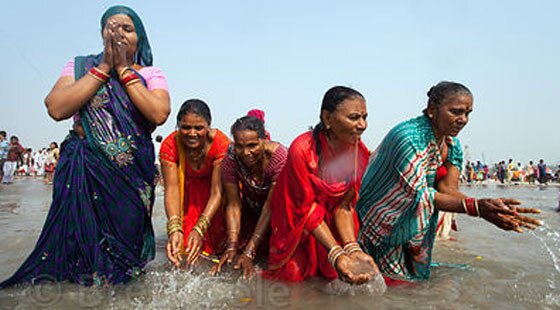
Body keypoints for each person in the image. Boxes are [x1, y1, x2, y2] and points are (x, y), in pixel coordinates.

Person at [0, 5, 170, 287]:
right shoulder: (80, 66)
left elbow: (158, 113)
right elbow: (56, 108)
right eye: (111, 28)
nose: (118, 34)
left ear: (140, 38)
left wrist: (123, 70)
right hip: (83, 169)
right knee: (75, 247)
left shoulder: (150, 73)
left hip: (129, 179)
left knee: (125, 253)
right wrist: (104, 68)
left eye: (127, 29)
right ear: (102, 33)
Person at [356, 81, 541, 282]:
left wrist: (491, 209)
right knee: (384, 283)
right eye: (456, 112)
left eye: (468, 113)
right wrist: (476, 208)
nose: (463, 120)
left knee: (415, 283)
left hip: (413, 222)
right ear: (432, 110)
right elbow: (419, 196)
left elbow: (447, 188)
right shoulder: (409, 138)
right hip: (383, 220)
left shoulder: (451, 143)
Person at [264, 86, 378, 284]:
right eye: (354, 117)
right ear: (327, 118)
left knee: (337, 278)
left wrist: (352, 248)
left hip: (333, 224)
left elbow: (344, 206)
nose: (362, 125)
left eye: (365, 117)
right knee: (292, 278)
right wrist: (336, 254)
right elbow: (305, 208)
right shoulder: (302, 149)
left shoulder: (358, 153)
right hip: (297, 221)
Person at [210, 115, 288, 278]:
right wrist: (232, 244)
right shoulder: (231, 157)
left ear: (264, 140)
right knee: (233, 256)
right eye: (240, 146)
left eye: (252, 145)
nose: (246, 153)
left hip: (277, 213)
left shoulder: (279, 158)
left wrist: (250, 251)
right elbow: (233, 204)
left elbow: (270, 207)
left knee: (274, 261)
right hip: (250, 209)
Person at [160, 99, 230, 268]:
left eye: (199, 128)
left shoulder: (221, 144)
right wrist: (174, 228)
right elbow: (171, 189)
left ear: (208, 126)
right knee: (183, 249)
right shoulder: (170, 146)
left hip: (215, 198)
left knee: (216, 249)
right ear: (178, 126)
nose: (192, 133)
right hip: (187, 197)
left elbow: (217, 192)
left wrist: (200, 228)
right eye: (186, 127)